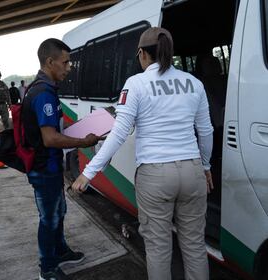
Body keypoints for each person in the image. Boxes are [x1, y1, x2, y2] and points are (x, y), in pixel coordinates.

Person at [72, 27, 214, 280]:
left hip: (156, 174)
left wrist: (88, 172)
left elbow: (118, 132)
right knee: (194, 245)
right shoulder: (194, 83)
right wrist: (205, 166)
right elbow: (205, 131)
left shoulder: (136, 84)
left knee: (159, 248)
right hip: (192, 171)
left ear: (141, 54)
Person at [22, 38, 104, 280]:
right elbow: (49, 138)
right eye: (66, 62)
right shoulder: (43, 94)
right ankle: (47, 268)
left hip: (51, 166)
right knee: (49, 218)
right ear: (50, 62)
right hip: (43, 167)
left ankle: (60, 251)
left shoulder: (42, 89)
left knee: (59, 211)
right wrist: (83, 142)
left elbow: (52, 131)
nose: (69, 68)